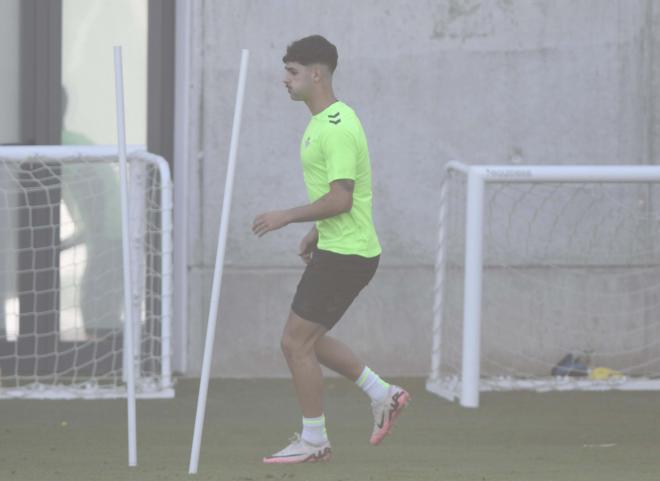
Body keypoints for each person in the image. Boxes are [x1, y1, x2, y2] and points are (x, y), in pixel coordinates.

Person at [252, 35, 410, 465]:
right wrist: (318, 233)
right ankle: (384, 393)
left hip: (349, 255)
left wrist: (287, 216)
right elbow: (341, 202)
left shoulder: (337, 127)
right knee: (310, 341)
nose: (284, 79)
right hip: (339, 247)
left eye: (292, 71)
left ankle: (314, 439)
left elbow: (342, 197)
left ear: (316, 74)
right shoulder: (320, 122)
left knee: (294, 342)